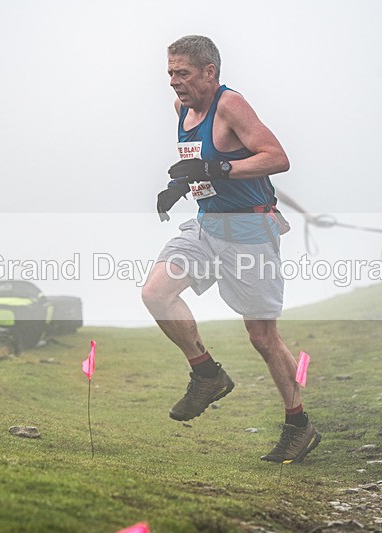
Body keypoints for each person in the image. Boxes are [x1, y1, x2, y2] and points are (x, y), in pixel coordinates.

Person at [141, 35, 321, 464]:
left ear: (209, 72)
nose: (173, 82)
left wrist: (218, 168)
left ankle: (299, 425)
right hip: (205, 225)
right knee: (156, 292)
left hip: (249, 232)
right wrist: (179, 186)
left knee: (262, 337)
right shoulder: (182, 109)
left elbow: (277, 157)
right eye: (169, 72)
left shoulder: (230, 105)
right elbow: (199, 163)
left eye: (182, 73)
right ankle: (207, 374)